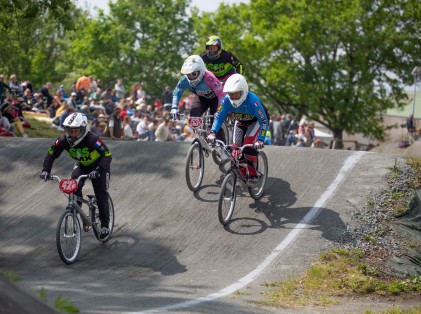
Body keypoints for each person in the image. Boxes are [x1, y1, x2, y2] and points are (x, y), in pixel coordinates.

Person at [40, 112, 112, 240]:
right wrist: (46, 170)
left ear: (83, 130)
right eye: (70, 130)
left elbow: (107, 155)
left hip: (99, 167)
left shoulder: (92, 139)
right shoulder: (62, 140)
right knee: (74, 185)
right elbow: (51, 153)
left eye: (76, 131)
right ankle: (76, 209)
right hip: (82, 165)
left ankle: (105, 225)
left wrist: (99, 169)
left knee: (101, 194)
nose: (73, 134)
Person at [207, 74, 269, 181]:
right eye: (231, 94)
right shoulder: (226, 101)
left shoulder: (253, 101)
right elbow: (218, 118)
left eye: (236, 94)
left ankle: (254, 175)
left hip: (255, 123)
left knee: (248, 147)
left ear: (243, 91)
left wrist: (261, 139)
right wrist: (213, 132)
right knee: (235, 150)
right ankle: (242, 174)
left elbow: (263, 121)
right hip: (240, 122)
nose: (233, 97)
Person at [170, 54, 226, 141]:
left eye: (193, 74)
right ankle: (199, 137)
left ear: (201, 71)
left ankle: (222, 144)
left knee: (215, 122)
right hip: (201, 98)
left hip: (215, 100)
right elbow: (177, 92)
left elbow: (222, 94)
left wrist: (219, 110)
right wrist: (174, 107)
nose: (191, 77)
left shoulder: (209, 77)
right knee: (193, 116)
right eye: (188, 74)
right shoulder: (185, 79)